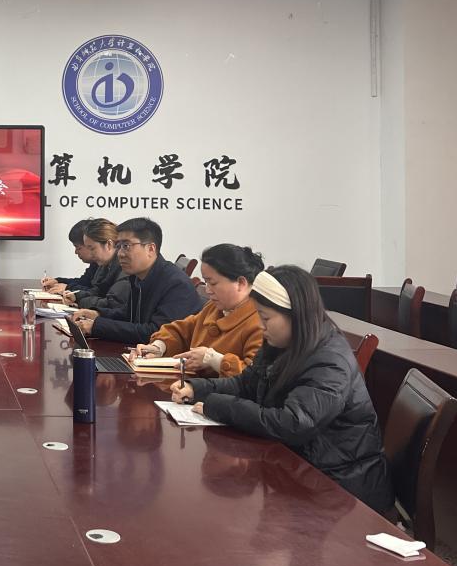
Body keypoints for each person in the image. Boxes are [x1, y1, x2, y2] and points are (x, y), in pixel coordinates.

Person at [170, 265, 393, 515]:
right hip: (302, 469)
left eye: (265, 318)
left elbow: (293, 423)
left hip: (341, 490)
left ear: (295, 315)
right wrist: (197, 389)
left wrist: (218, 406)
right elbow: (246, 384)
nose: (260, 326)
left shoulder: (330, 361)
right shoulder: (282, 341)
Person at [128, 243, 265, 377]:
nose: (208, 290)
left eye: (213, 283)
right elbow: (182, 330)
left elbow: (254, 377)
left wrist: (214, 360)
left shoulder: (261, 321)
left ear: (241, 283)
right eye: (206, 282)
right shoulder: (214, 307)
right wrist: (159, 346)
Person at [71, 217, 202, 343]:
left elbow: (155, 333)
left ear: (150, 249)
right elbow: (129, 315)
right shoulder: (138, 276)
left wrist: (96, 327)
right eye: (118, 246)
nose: (120, 253)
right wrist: (97, 314)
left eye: (126, 246)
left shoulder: (176, 284)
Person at [40, 218, 97, 295]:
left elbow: (97, 293)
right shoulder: (95, 264)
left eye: (78, 248)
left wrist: (68, 288)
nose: (76, 252)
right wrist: (57, 281)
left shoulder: (107, 265)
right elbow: (84, 282)